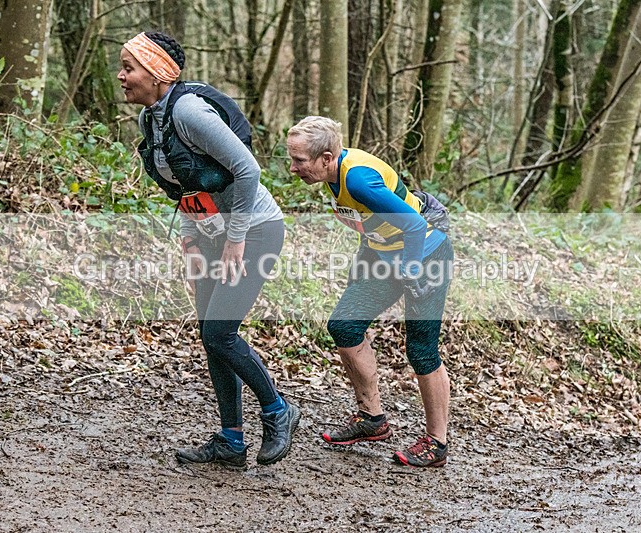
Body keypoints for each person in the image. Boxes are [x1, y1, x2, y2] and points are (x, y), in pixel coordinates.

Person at [118, 31, 299, 468]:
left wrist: (235, 238)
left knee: (219, 332)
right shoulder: (151, 119)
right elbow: (186, 185)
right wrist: (190, 237)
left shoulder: (189, 110)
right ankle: (231, 440)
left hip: (254, 230)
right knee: (212, 339)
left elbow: (247, 170)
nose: (121, 76)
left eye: (129, 67)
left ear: (158, 73)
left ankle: (278, 410)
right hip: (210, 233)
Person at [286, 116, 454, 467]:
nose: (293, 168)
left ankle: (437, 443)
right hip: (384, 254)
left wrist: (409, 270)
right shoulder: (333, 176)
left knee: (421, 348)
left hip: (426, 252)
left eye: (300, 161)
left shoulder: (358, 179)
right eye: (292, 158)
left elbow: (412, 222)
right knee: (345, 325)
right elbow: (370, 222)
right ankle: (372, 420)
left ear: (328, 157)